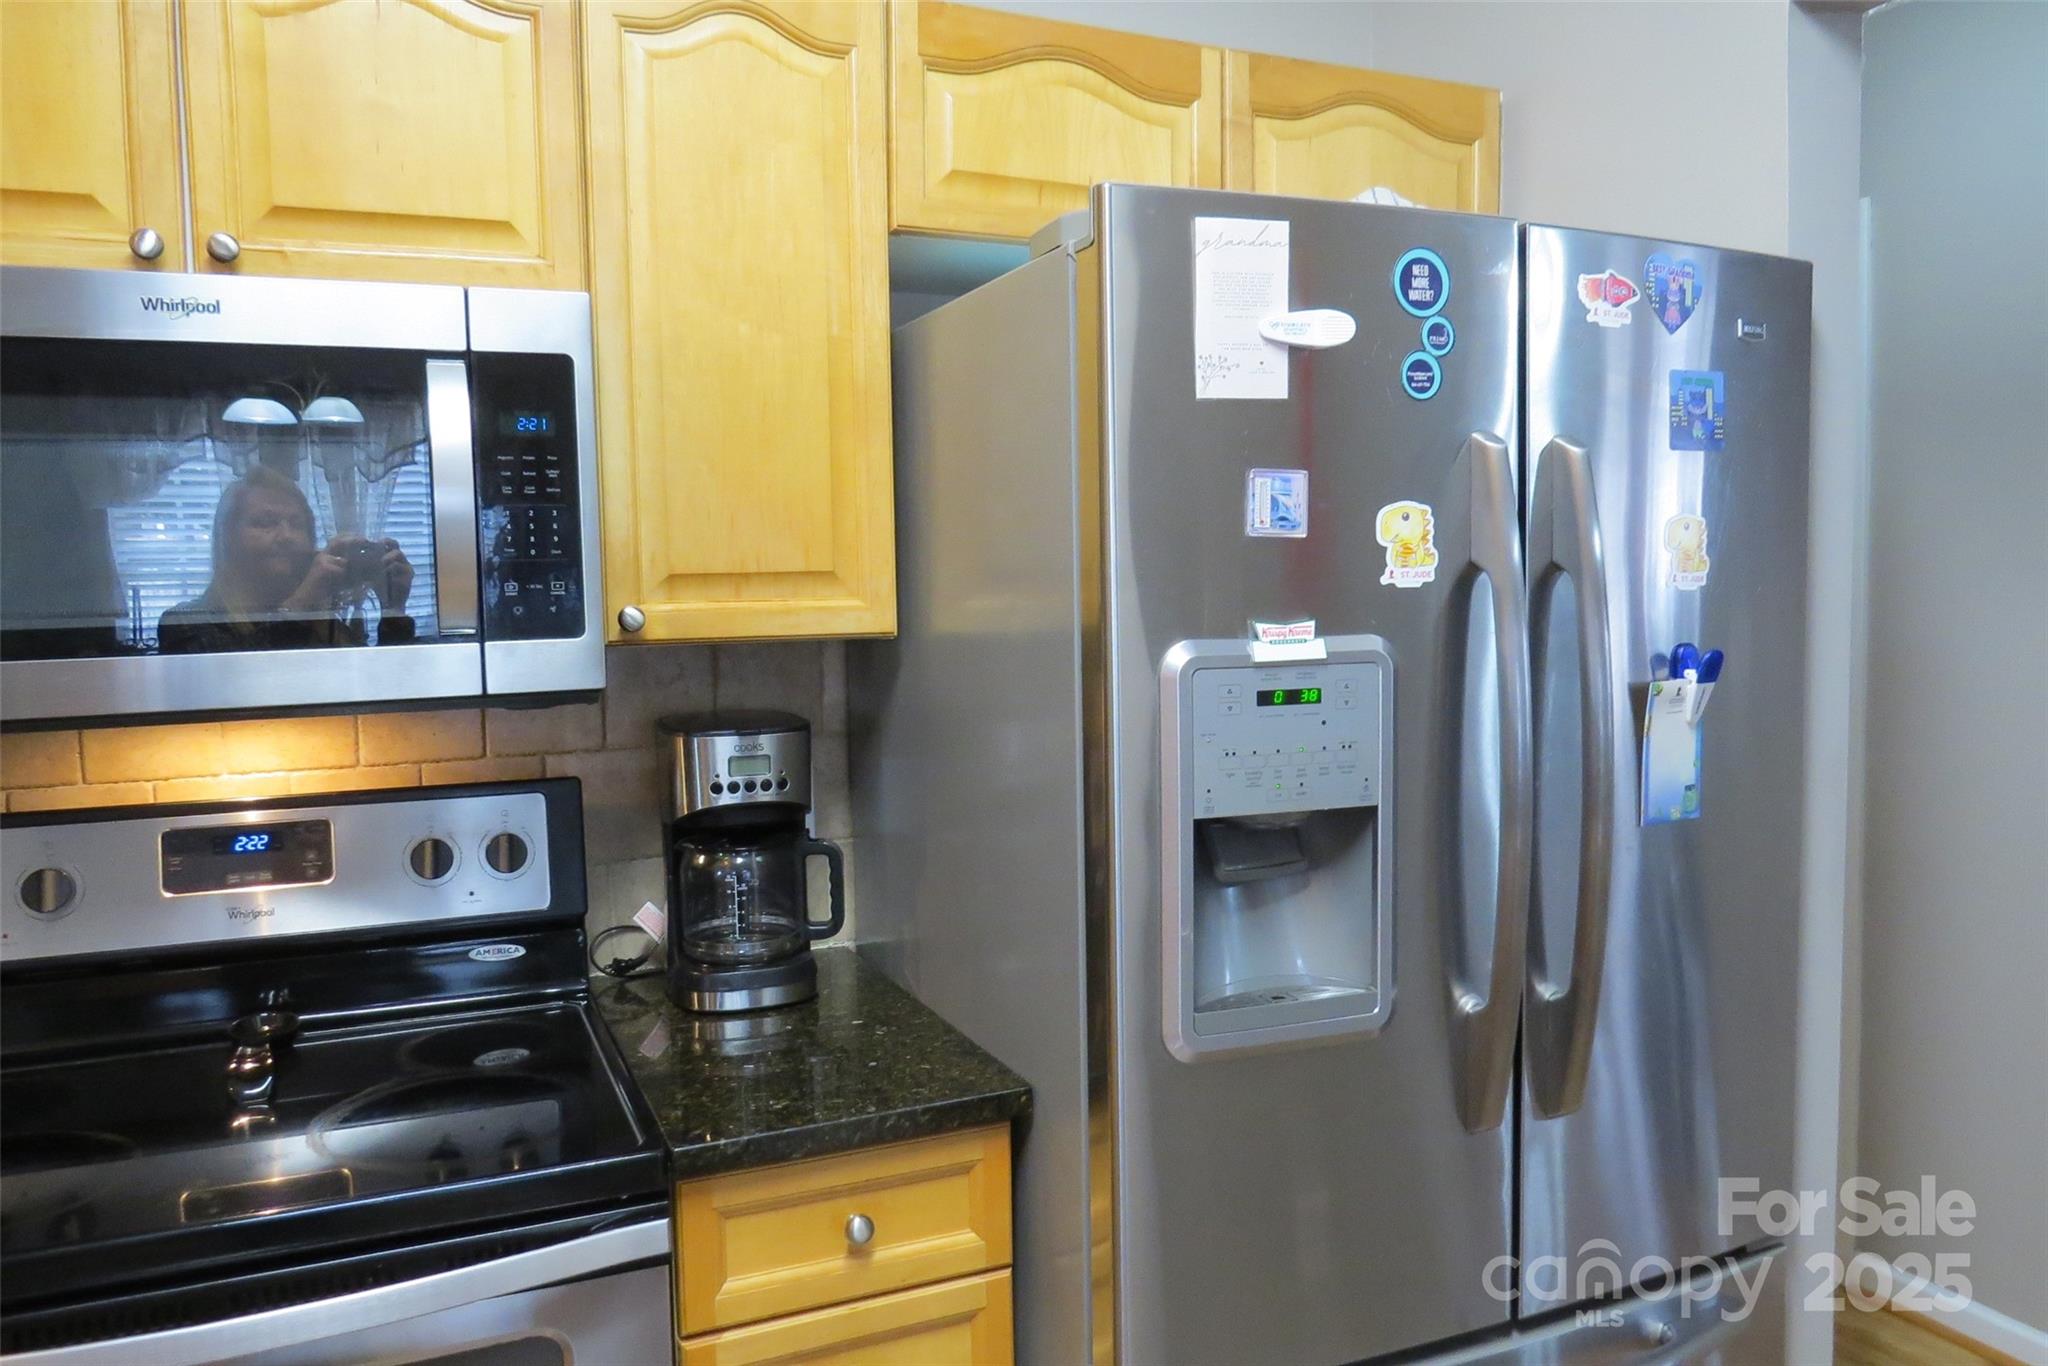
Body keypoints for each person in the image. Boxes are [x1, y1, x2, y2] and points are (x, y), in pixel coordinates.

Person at [158, 465, 415, 653]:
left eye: (297, 524)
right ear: (228, 538)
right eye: (265, 523)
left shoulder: (323, 622)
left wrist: (393, 610)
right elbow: (245, 690)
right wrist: (301, 605)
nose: (286, 536)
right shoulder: (186, 622)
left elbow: (380, 691)